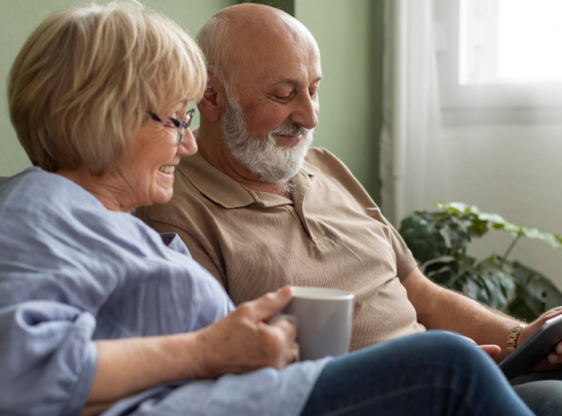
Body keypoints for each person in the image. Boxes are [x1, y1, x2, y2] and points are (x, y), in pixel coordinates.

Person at [0, 2, 539, 416]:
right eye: (176, 121)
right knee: (448, 365)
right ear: (107, 117)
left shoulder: (109, 225)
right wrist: (207, 351)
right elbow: (20, 369)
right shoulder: (40, 212)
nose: (187, 145)